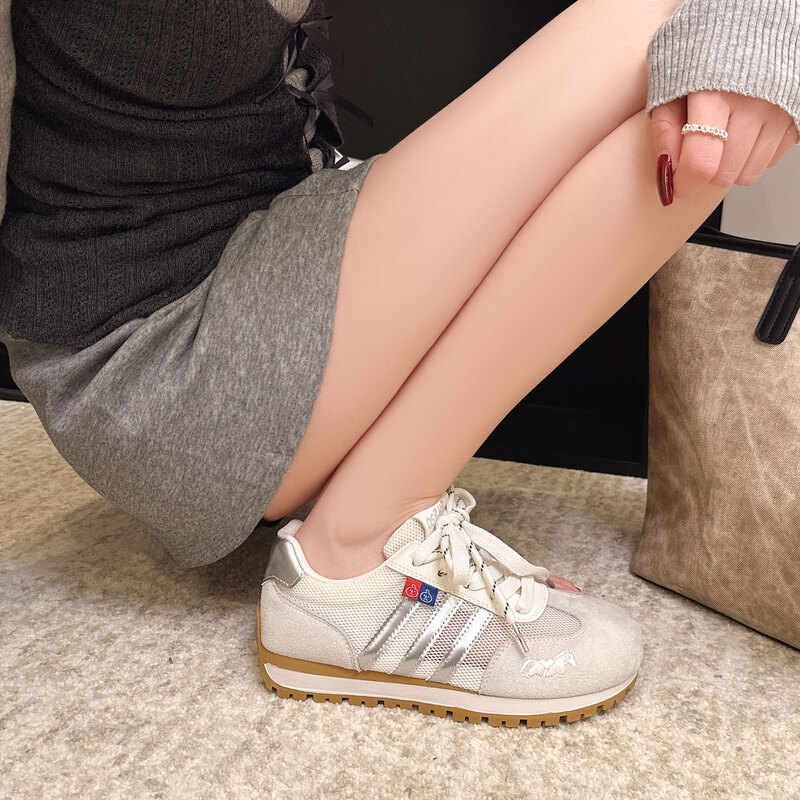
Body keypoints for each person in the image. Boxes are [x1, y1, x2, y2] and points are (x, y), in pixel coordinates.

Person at [1, 0, 798, 726]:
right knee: (668, 31)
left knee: (707, 84)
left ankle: (375, 486)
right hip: (147, 360)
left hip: (258, 238)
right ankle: (354, 549)